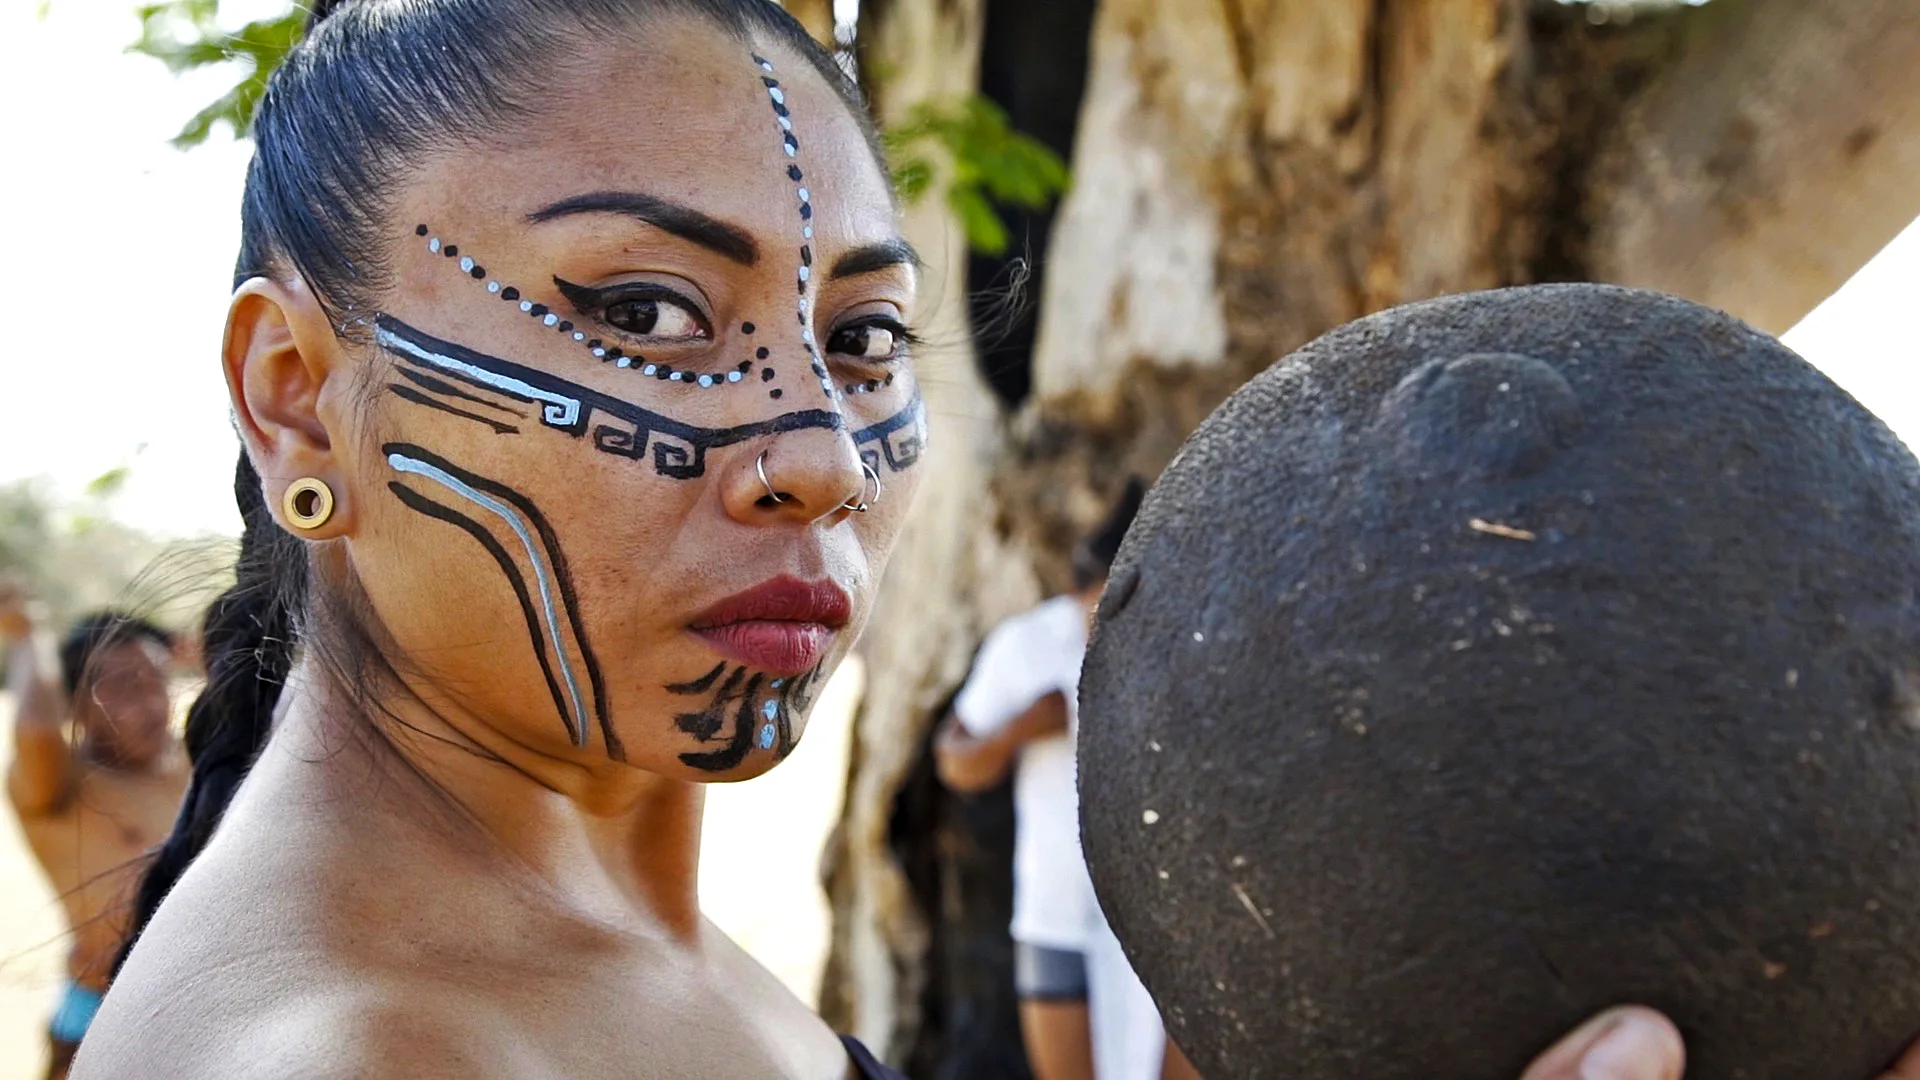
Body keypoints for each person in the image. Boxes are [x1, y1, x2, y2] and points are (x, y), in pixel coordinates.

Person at [61, 4, 1910, 1079]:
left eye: (862, 338)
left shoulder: (575, 948)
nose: (810, 455)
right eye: (644, 314)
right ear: (301, 397)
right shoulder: (347, 1058)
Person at [934, 479, 1186, 1080]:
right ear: (1078, 589)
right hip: (1055, 911)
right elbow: (953, 761)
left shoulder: (1180, 645)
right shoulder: (1028, 646)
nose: (1102, 626)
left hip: (1168, 912)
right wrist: (1019, 728)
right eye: (1095, 609)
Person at [1, 586, 187, 1080]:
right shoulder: (58, 789)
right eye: (125, 686)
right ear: (75, 703)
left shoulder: (193, 763)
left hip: (202, 1003)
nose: (150, 702)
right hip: (99, 1014)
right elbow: (38, 730)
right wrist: (27, 638)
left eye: (157, 680)